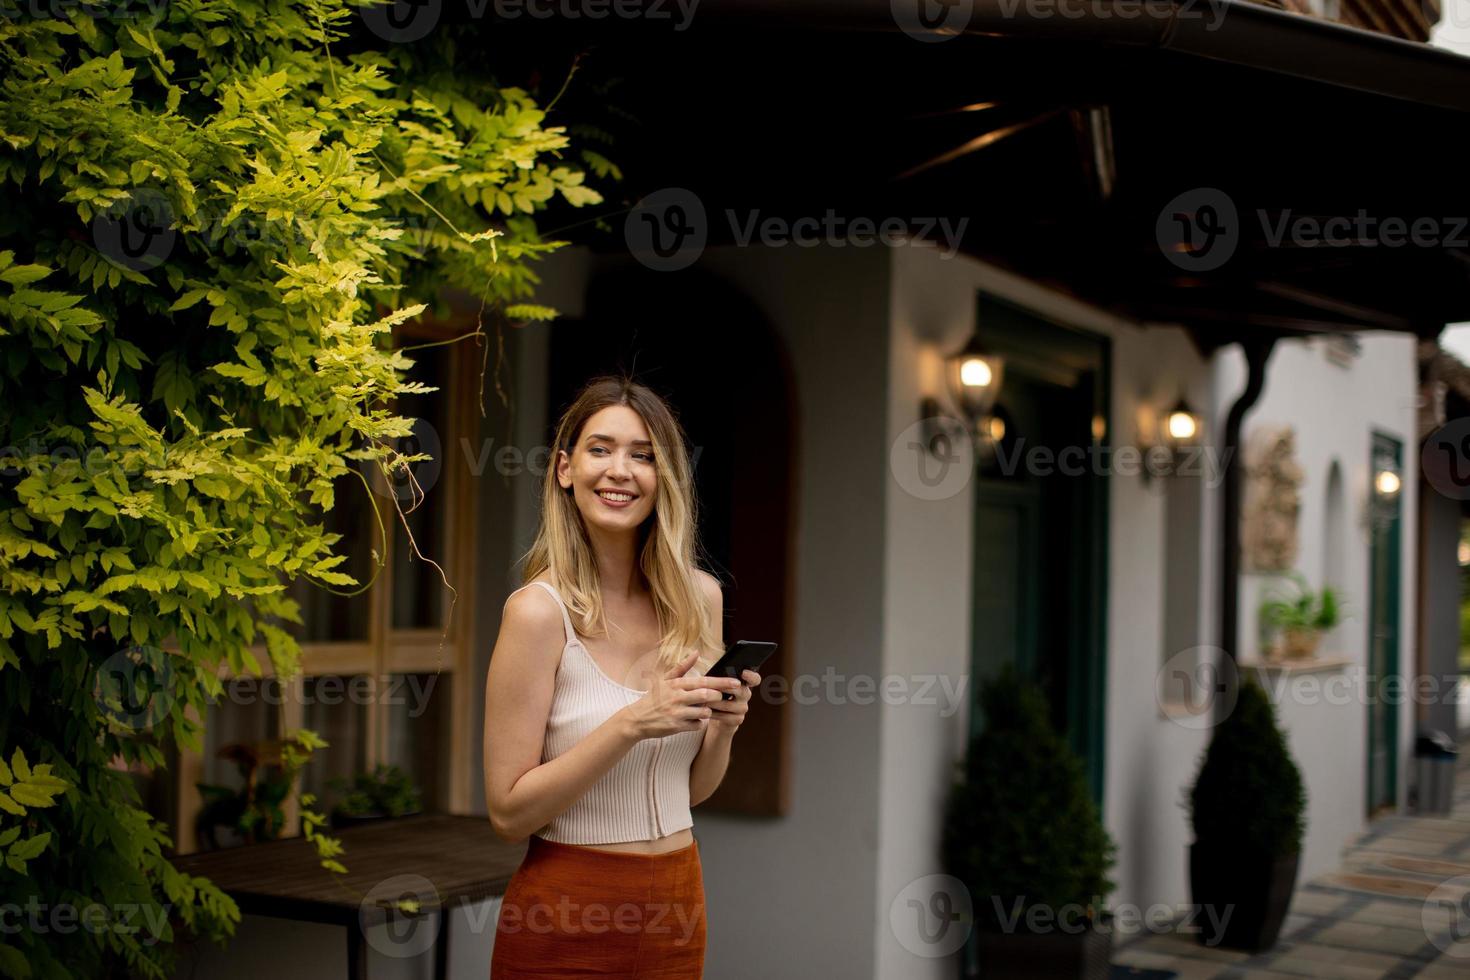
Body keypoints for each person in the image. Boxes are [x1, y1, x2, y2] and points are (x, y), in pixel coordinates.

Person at [484, 375, 762, 979]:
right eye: (600, 449)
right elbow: (507, 815)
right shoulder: (536, 612)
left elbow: (688, 793)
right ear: (564, 469)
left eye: (643, 456)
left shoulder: (700, 599)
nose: (620, 471)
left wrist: (723, 731)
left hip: (677, 905)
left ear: (665, 479)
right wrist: (634, 722)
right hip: (565, 910)